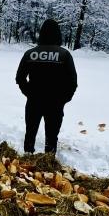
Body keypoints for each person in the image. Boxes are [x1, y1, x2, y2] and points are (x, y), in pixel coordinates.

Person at [15, 18, 77, 153]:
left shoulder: (30, 53)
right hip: (55, 102)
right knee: (52, 136)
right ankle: (49, 162)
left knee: (30, 133)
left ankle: (27, 159)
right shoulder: (64, 55)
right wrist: (63, 99)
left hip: (34, 101)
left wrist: (29, 93)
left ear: (41, 34)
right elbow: (72, 82)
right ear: (58, 34)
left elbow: (20, 78)